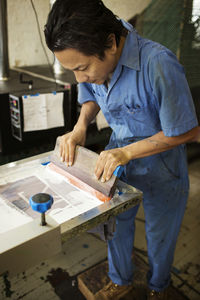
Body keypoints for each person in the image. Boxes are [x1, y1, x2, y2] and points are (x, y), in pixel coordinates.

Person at [44, 1, 199, 299]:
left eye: (83, 67)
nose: (80, 77)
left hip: (163, 165)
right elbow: (91, 94)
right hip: (117, 158)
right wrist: (80, 127)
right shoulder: (96, 49)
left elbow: (188, 131)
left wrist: (128, 153)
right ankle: (120, 280)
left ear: (111, 44)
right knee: (115, 225)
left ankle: (158, 288)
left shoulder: (158, 64)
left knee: (159, 234)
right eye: (73, 70)